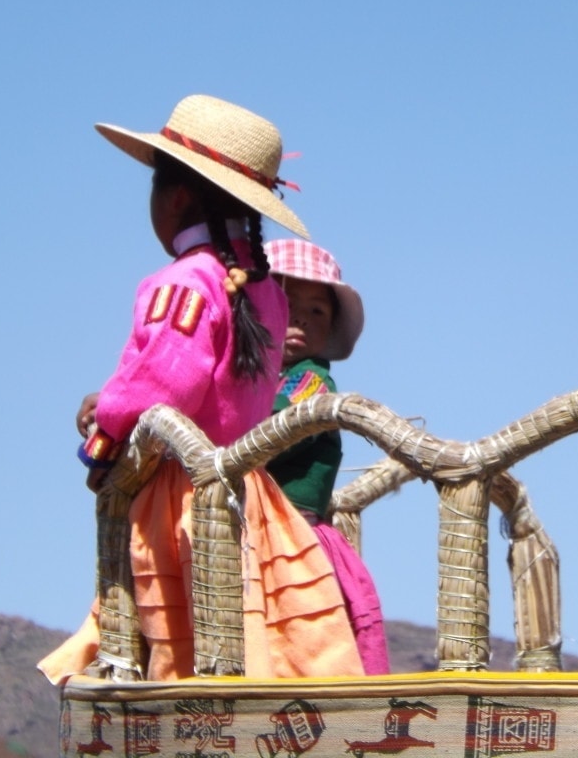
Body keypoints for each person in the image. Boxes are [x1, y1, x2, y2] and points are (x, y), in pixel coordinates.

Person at [38, 95, 364, 683]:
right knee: (248, 628)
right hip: (250, 492)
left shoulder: (185, 282)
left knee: (176, 643)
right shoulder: (264, 290)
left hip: (184, 493)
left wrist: (104, 440)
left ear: (178, 195)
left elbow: (164, 382)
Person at [262, 238, 390, 675]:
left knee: (303, 655)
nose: (299, 316)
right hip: (253, 536)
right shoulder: (248, 380)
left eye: (317, 310)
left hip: (293, 541)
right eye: (285, 301)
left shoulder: (310, 383)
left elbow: (270, 429)